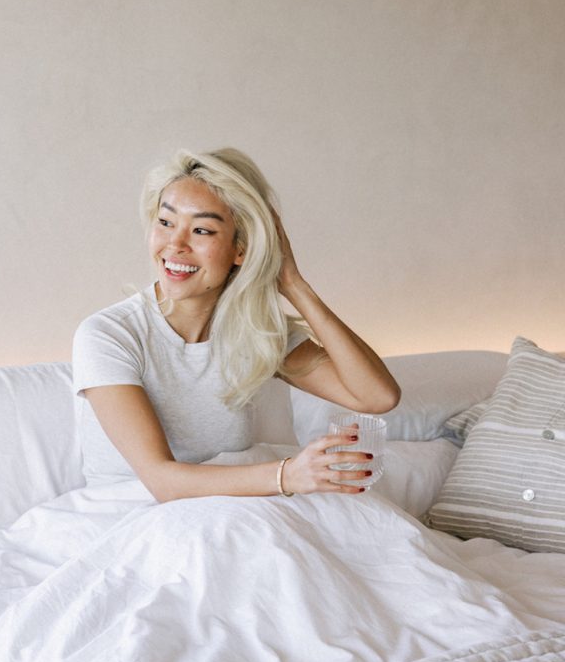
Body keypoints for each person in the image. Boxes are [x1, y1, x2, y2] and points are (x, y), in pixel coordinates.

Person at [72, 148, 400, 501]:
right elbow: (161, 481)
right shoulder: (108, 335)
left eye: (201, 230)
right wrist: (288, 474)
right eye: (165, 222)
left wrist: (293, 284)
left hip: (229, 513)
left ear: (240, 249)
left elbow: (377, 396)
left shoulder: (255, 332)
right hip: (128, 516)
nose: (175, 244)